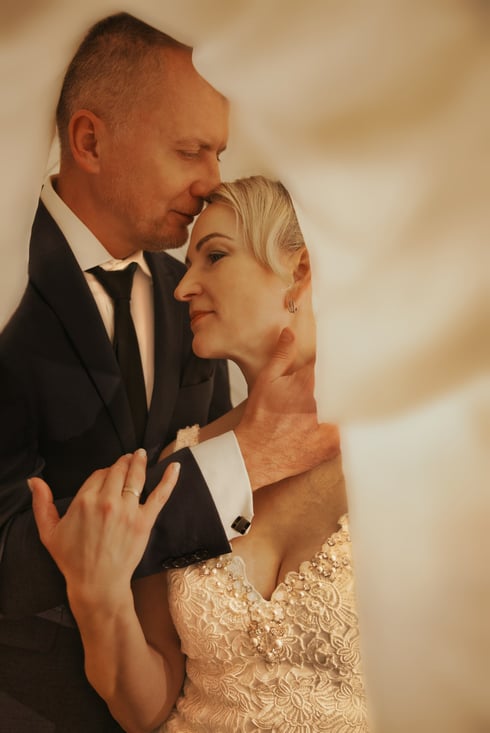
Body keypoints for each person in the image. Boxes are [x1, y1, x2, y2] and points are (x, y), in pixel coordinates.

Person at [0, 15, 331, 733]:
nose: (210, 179)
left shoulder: (191, 304)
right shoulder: (7, 285)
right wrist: (236, 462)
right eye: (190, 151)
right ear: (89, 140)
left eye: (218, 153)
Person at [32, 176, 369, 733]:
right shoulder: (184, 461)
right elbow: (146, 707)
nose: (183, 286)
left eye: (214, 256)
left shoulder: (412, 448)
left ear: (301, 271)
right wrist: (99, 598)